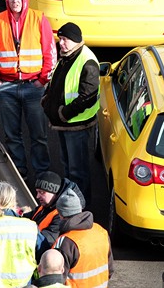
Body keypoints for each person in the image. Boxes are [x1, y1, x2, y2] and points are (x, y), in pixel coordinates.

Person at [0, 0, 57, 180]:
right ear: (7, 0)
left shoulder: (39, 19)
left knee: (38, 134)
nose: (15, 1)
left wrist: (42, 81)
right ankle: (20, 173)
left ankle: (41, 173)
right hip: (7, 87)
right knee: (12, 135)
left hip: (34, 86)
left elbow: (50, 53)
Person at [41, 23, 100, 205]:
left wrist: (63, 113)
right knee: (68, 168)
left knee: (77, 172)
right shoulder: (69, 55)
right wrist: (47, 99)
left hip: (76, 125)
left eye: (65, 39)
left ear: (75, 39)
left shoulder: (87, 61)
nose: (61, 44)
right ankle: (70, 205)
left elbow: (87, 97)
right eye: (61, 39)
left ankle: (81, 209)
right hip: (65, 123)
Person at [53, 189, 114, 288]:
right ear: (79, 210)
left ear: (61, 214)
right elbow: (110, 269)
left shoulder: (66, 242)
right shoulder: (101, 232)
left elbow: (54, 280)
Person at [23, 171, 86, 251]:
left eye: (42, 192)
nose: (37, 196)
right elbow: (27, 218)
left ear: (54, 192)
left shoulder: (62, 215)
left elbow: (47, 240)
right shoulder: (47, 205)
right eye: (37, 192)